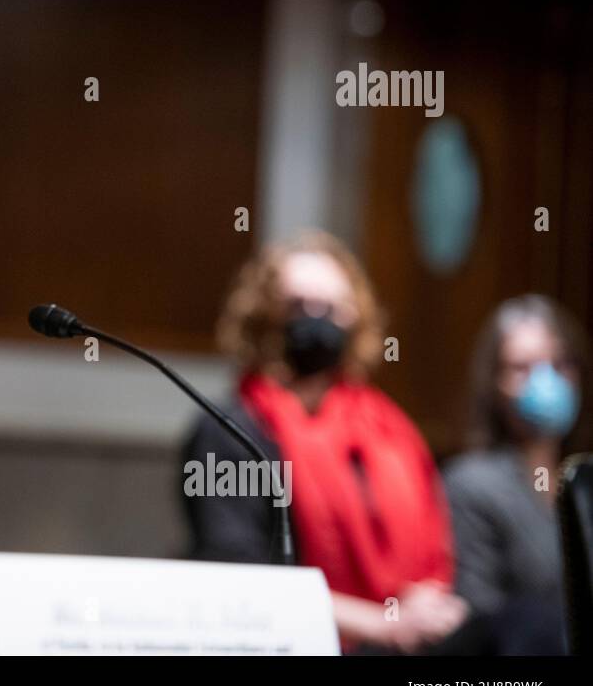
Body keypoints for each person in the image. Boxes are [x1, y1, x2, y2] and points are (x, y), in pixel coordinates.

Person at [182, 231, 467, 652]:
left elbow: (433, 545)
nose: (316, 318)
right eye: (298, 306)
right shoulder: (230, 430)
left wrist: (424, 605)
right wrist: (382, 624)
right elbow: (239, 578)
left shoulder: (388, 429)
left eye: (331, 308)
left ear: (355, 318)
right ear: (265, 317)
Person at [442, 294, 589, 654]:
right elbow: (481, 617)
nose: (546, 380)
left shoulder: (583, 478)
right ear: (494, 382)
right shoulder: (471, 484)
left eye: (559, 364)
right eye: (522, 368)